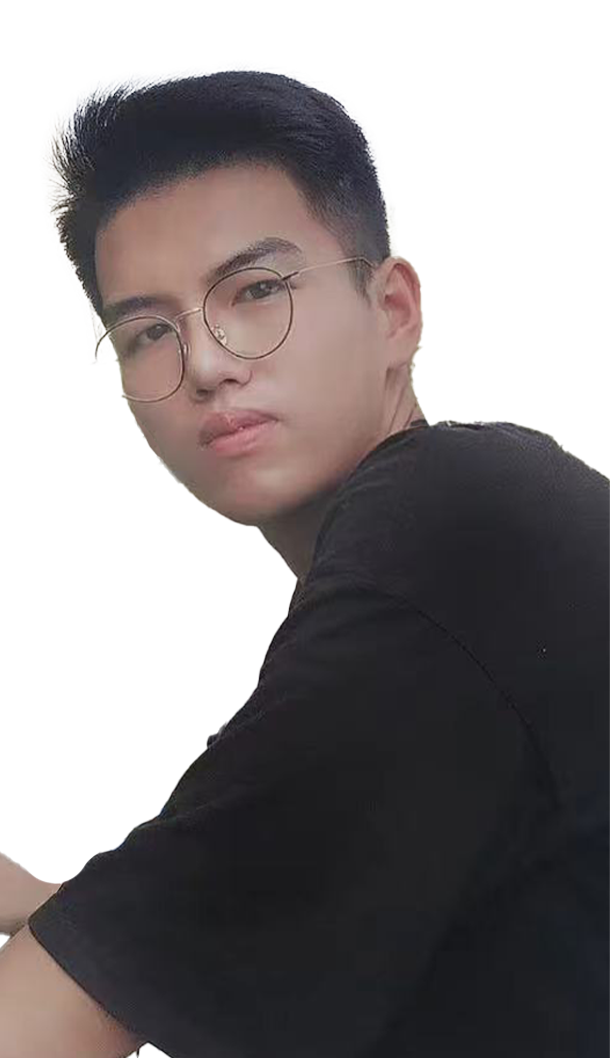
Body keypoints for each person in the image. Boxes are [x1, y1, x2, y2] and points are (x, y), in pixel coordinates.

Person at [1, 69, 610, 1058]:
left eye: (256, 291)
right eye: (148, 332)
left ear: (394, 310)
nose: (205, 362)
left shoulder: (447, 530)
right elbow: (244, 895)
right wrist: (54, 909)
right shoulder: (468, 522)